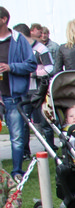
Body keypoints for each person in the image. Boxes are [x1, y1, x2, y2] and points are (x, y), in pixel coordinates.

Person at [0, 7, 38, 182]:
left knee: (16, 135)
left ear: (4, 19)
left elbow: (31, 64)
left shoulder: (18, 40)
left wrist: (11, 67)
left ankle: (16, 171)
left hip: (12, 96)